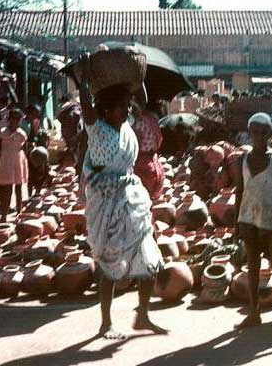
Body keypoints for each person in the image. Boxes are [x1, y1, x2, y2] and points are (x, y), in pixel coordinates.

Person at [77, 51, 167, 339]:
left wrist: (136, 77)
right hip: (107, 204)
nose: (127, 111)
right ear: (105, 111)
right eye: (121, 107)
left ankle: (142, 316)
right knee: (109, 263)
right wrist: (82, 81)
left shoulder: (127, 127)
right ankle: (106, 322)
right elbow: (86, 109)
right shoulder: (98, 130)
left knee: (148, 257)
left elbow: (139, 97)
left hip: (131, 198)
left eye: (127, 106)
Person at [234, 113, 272, 335]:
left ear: (269, 134)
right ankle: (253, 312)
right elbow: (240, 191)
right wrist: (237, 223)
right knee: (253, 266)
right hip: (248, 218)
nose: (258, 136)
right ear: (249, 134)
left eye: (263, 132)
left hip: (271, 219)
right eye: (254, 132)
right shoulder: (242, 160)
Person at [0, 109, 29, 222]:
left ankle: (19, 212)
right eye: (12, 119)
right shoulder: (2, 133)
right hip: (5, 162)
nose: (14, 122)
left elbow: (25, 148)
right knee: (6, 189)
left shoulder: (22, 134)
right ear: (8, 120)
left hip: (18, 161)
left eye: (17, 120)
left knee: (18, 187)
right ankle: (4, 215)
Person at [131, 99, 165, 199]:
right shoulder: (152, 119)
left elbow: (133, 146)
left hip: (140, 168)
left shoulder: (135, 122)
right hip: (154, 166)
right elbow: (159, 141)